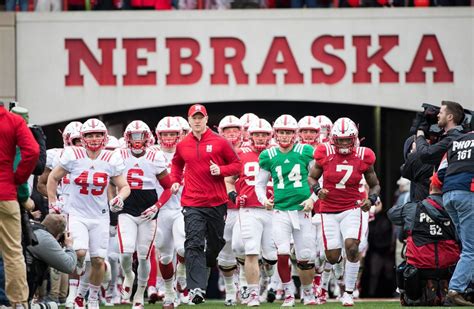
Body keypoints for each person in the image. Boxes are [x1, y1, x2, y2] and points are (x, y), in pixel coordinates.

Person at [47, 118, 130, 309]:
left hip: (100, 215)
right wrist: (53, 202)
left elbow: (124, 186)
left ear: (104, 137)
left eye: (98, 135)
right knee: (80, 253)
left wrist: (119, 198)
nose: (94, 139)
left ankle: (90, 298)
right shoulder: (73, 155)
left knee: (99, 260)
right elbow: (52, 177)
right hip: (77, 213)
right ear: (82, 138)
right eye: (90, 135)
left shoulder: (111, 158)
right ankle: (78, 293)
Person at [170, 104, 242, 305]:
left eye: (201, 117)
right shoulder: (183, 144)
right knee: (193, 243)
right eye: (194, 117)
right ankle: (196, 289)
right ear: (189, 120)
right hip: (192, 202)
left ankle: (208, 264)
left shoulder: (220, 142)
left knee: (215, 244)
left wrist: (221, 170)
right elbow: (176, 164)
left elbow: (237, 165)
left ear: (207, 119)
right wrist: (175, 180)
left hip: (217, 202)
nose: (197, 121)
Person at [308, 117, 381, 306]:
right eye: (340, 139)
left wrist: (371, 200)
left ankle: (348, 292)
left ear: (354, 138)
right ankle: (339, 268)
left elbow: (374, 184)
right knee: (331, 256)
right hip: (329, 209)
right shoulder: (325, 152)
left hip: (352, 207)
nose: (344, 143)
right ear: (333, 139)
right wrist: (317, 191)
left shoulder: (364, 155)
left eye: (347, 139)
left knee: (352, 246)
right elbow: (312, 178)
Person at [255, 114, 317, 307]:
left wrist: (312, 198)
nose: (284, 135)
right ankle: (289, 292)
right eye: (281, 132)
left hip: (302, 210)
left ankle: (308, 293)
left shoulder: (305, 151)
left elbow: (318, 179)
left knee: (305, 257)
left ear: (294, 134)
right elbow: (259, 184)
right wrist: (264, 199)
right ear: (275, 133)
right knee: (281, 253)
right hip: (281, 211)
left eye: (288, 132)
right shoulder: (269, 155)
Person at [117, 120, 173, 309]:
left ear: (147, 137)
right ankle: (128, 275)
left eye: (141, 135)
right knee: (125, 252)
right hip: (127, 208)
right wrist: (114, 199)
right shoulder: (119, 155)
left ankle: (140, 293)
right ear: (127, 137)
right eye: (134, 136)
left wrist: (157, 206)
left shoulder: (155, 156)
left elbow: (168, 187)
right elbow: (110, 181)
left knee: (143, 256)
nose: (137, 140)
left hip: (148, 212)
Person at [388, 174, 460, 306]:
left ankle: (409, 296)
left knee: (402, 267)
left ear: (430, 187)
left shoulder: (413, 208)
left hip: (419, 267)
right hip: (450, 267)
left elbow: (391, 214)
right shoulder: (456, 209)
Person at [227, 118, 277, 307]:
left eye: (264, 134)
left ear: (270, 135)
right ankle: (253, 294)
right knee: (249, 250)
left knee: (271, 257)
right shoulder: (241, 154)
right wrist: (233, 195)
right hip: (248, 210)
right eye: (257, 134)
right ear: (250, 135)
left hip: (272, 211)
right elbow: (228, 180)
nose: (260, 138)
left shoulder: (277, 154)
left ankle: (266, 280)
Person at [0, 103, 40, 309]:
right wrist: (18, 179)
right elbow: (32, 151)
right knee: (13, 252)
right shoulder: (13, 121)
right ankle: (18, 303)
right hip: (6, 194)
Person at [438, 130, 474, 306]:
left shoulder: (456, 141)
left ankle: (469, 287)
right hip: (469, 193)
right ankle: (456, 289)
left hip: (448, 195)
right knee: (471, 248)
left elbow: (440, 174)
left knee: (467, 245)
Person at [155, 116, 187, 308]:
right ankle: (169, 292)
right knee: (165, 256)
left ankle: (181, 270)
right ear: (158, 135)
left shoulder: (187, 153)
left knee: (183, 248)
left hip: (181, 207)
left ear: (179, 134)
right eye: (165, 133)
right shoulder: (152, 154)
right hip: (161, 209)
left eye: (172, 133)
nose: (168, 137)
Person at [217, 115, 243, 306]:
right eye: (228, 131)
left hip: (245, 207)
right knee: (225, 250)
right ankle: (230, 288)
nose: (232, 134)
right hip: (221, 207)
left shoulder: (250, 151)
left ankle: (244, 285)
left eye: (235, 130)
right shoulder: (214, 150)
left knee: (243, 247)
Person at [416, 101, 465, 167]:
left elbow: (426, 154)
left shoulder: (453, 138)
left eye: (441, 113)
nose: (437, 115)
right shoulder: (454, 136)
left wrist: (420, 135)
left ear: (450, 117)